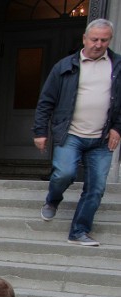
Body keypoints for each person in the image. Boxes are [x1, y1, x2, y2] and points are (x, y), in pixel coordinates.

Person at [33, 18, 121, 247]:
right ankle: (52, 200)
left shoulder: (118, 66)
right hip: (70, 134)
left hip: (101, 139)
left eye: (104, 40)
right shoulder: (65, 66)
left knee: (96, 188)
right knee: (64, 173)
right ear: (84, 38)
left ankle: (79, 231)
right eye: (94, 39)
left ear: (109, 40)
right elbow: (46, 101)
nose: (99, 44)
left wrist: (117, 128)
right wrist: (40, 132)